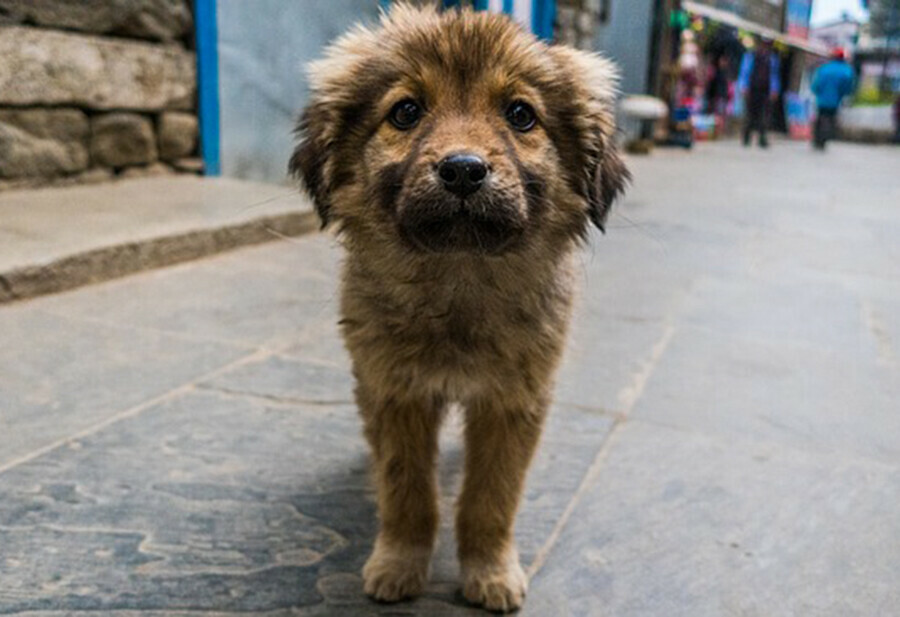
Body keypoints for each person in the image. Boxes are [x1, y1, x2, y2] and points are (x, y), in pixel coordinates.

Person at [738, 38, 781, 148]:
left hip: (765, 90)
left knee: (764, 115)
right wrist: (743, 86)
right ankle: (746, 137)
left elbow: (774, 75)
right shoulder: (750, 55)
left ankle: (762, 138)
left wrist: (774, 89)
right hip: (752, 89)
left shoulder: (772, 58)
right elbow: (744, 71)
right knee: (750, 114)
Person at [811, 48, 856, 150]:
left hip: (821, 101)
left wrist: (818, 93)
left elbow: (816, 86)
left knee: (820, 118)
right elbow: (848, 88)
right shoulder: (847, 71)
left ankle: (817, 140)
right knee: (830, 120)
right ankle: (824, 139)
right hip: (835, 101)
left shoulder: (824, 68)